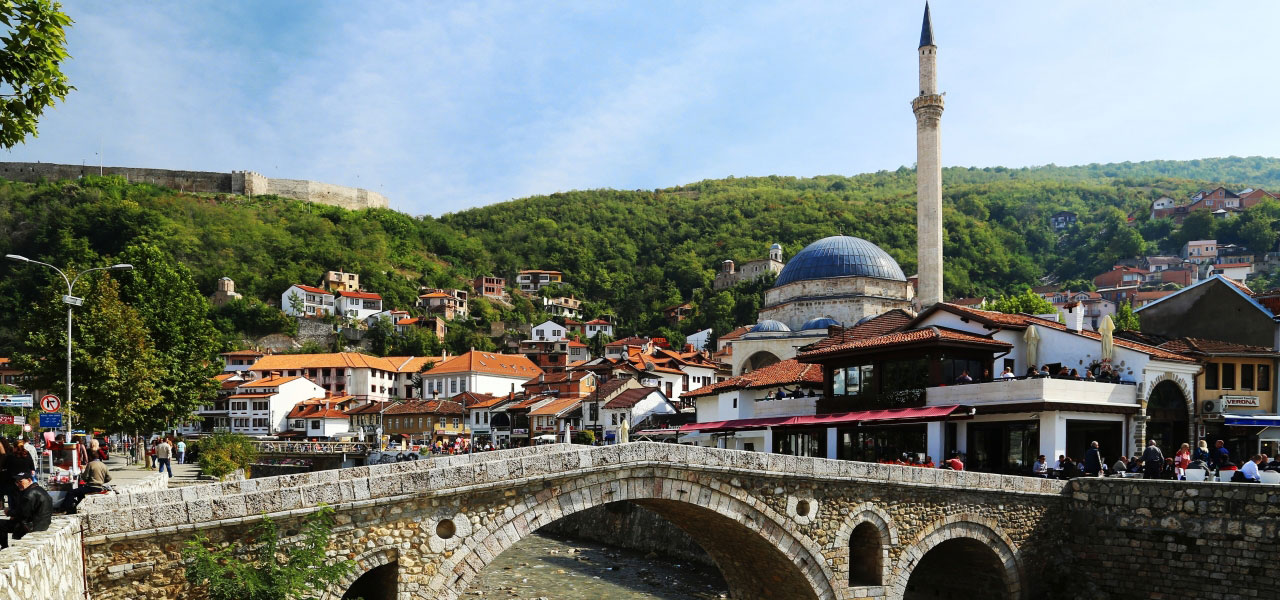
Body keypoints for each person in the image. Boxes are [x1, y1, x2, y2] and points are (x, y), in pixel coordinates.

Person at [0, 471, 51, 548]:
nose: (18, 484)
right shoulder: (40, 489)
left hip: (32, 526)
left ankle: (4, 547)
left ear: (29, 480)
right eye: (17, 482)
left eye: (20, 481)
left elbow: (23, 514)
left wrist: (9, 512)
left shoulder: (29, 494)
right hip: (43, 523)